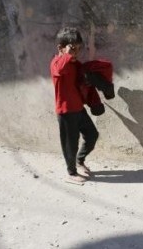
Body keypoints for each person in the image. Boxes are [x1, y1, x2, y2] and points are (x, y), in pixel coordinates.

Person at [50, 27, 99, 183]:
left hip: (79, 109)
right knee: (70, 144)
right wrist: (67, 55)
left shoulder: (75, 64)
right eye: (72, 48)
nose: (76, 52)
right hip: (66, 112)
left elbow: (81, 79)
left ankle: (80, 159)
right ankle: (71, 173)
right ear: (60, 48)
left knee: (92, 135)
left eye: (78, 49)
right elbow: (59, 69)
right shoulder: (57, 62)